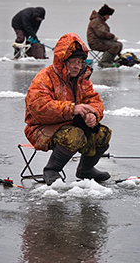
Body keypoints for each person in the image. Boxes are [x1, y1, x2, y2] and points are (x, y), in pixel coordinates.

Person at [24, 32, 112, 185]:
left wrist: (93, 115)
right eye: (73, 62)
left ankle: (86, 169)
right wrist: (71, 109)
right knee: (74, 135)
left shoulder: (82, 80)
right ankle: (51, 170)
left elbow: (95, 101)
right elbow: (38, 108)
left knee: (103, 133)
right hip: (42, 128)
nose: (77, 66)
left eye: (79, 61)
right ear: (62, 62)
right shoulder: (45, 77)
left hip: (71, 126)